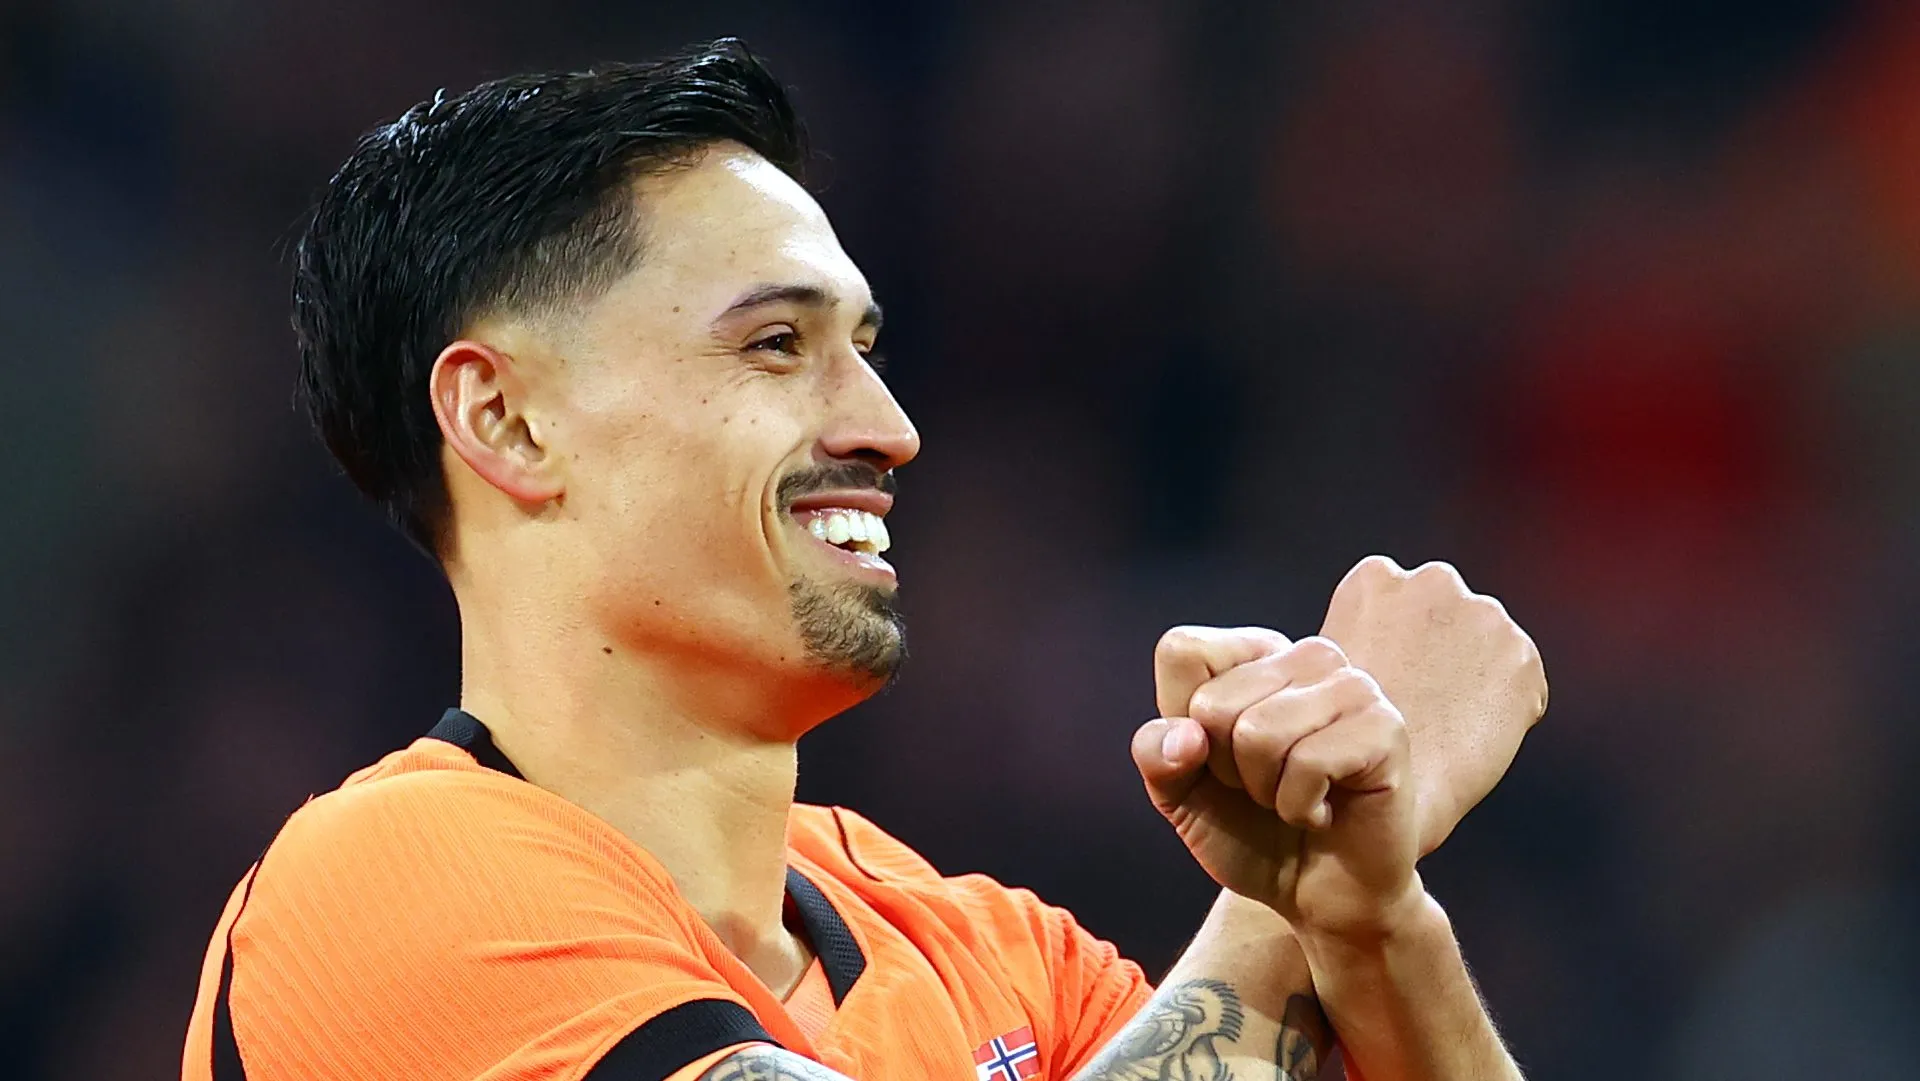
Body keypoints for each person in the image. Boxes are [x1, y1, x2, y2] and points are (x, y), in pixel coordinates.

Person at [181, 39, 1547, 1081]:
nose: (887, 429)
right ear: (507, 420)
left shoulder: (990, 950)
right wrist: (1274, 916)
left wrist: (1369, 916)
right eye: (777, 345)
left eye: (867, 350)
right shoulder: (383, 887)